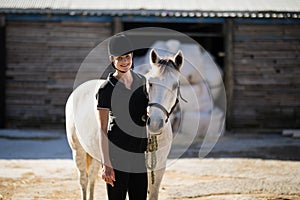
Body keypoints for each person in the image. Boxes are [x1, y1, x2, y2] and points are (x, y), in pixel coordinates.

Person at [96, 33, 148, 200]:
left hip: (139, 154)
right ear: (112, 59)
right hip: (117, 155)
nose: (125, 62)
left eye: (127, 57)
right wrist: (106, 164)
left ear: (132, 55)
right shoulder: (106, 89)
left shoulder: (142, 81)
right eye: (120, 58)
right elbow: (102, 129)